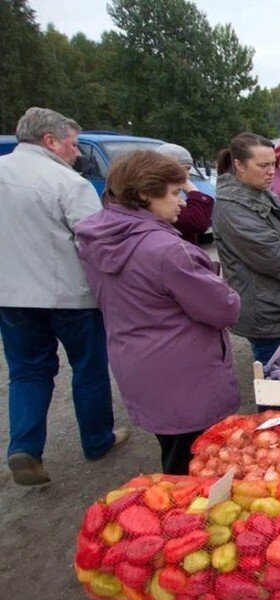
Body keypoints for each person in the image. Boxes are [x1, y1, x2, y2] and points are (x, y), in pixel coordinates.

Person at [76, 151, 241, 474]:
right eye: (175, 193)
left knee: (174, 452)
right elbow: (224, 309)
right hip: (186, 375)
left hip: (139, 367)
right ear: (143, 194)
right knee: (200, 466)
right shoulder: (168, 250)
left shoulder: (97, 238)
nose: (182, 202)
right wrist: (220, 284)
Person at [0, 107, 125, 486]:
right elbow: (97, 244)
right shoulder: (67, 183)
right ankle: (97, 439)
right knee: (87, 368)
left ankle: (25, 446)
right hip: (69, 295)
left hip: (11, 295)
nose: (76, 153)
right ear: (50, 141)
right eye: (73, 145)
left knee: (27, 371)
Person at [212, 133, 280, 365]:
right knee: (279, 386)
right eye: (263, 165)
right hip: (268, 315)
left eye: (273, 164)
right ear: (239, 165)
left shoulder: (261, 193)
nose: (271, 170)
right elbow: (276, 257)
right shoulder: (232, 209)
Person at [155, 142, 215, 245]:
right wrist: (192, 190)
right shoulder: (159, 196)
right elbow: (198, 222)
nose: (188, 175)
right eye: (186, 168)